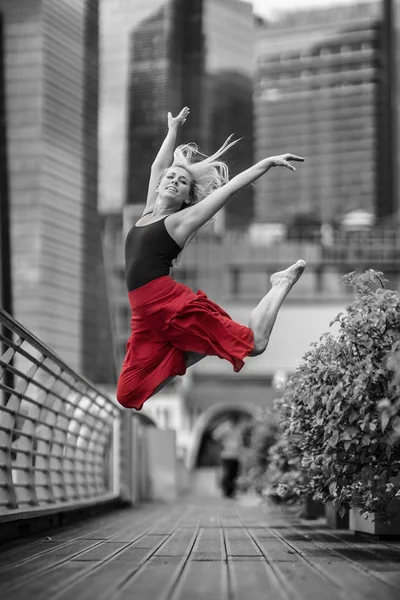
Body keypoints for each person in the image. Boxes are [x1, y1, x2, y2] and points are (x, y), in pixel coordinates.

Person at [116, 107, 306, 411]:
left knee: (254, 344)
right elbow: (159, 164)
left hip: (170, 306)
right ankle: (189, 350)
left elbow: (228, 190)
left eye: (181, 183)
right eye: (171, 178)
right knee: (127, 394)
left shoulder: (180, 222)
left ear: (187, 199)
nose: (172, 181)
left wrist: (266, 163)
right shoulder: (149, 210)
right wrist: (173, 130)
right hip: (145, 317)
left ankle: (279, 284)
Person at [212, 415, 243, 499]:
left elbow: (240, 441)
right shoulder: (224, 427)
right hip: (227, 454)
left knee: (234, 474)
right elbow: (215, 436)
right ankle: (226, 491)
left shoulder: (237, 429)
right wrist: (221, 445)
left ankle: (232, 492)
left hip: (236, 455)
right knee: (228, 473)